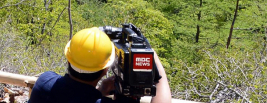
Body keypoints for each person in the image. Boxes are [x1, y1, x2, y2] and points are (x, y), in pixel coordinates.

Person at [28, 27, 172, 103]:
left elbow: (73, 96)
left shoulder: (44, 83)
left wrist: (99, 91)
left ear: (68, 59)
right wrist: (152, 59)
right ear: (105, 69)